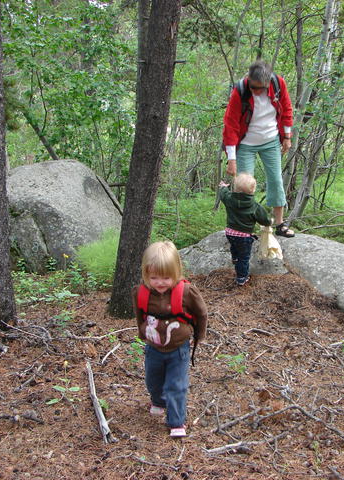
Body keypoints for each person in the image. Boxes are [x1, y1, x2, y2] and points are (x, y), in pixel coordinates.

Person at [132, 241, 208, 438]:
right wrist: (142, 333)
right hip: (153, 347)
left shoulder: (187, 292)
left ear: (177, 272)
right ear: (146, 274)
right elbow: (139, 314)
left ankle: (176, 421)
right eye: (154, 277)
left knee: (176, 385)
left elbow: (201, 314)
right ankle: (158, 400)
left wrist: (199, 336)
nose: (160, 283)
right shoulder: (140, 292)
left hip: (178, 349)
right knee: (153, 381)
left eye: (166, 277)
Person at [222, 59, 295, 238]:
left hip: (270, 140)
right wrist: (231, 159)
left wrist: (286, 136)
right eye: (253, 87)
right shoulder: (240, 91)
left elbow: (286, 109)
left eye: (260, 88)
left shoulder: (278, 84)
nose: (256, 91)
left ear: (268, 82)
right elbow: (230, 125)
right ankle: (243, 229)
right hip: (246, 143)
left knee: (276, 181)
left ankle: (279, 224)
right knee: (242, 186)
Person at [219, 173, 272, 286]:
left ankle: (234, 258)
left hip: (230, 232)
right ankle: (241, 278)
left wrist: (223, 186)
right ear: (252, 190)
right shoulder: (254, 206)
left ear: (235, 188)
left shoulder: (229, 198)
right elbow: (264, 220)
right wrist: (270, 222)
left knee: (234, 245)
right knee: (244, 258)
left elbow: (223, 194)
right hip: (244, 237)